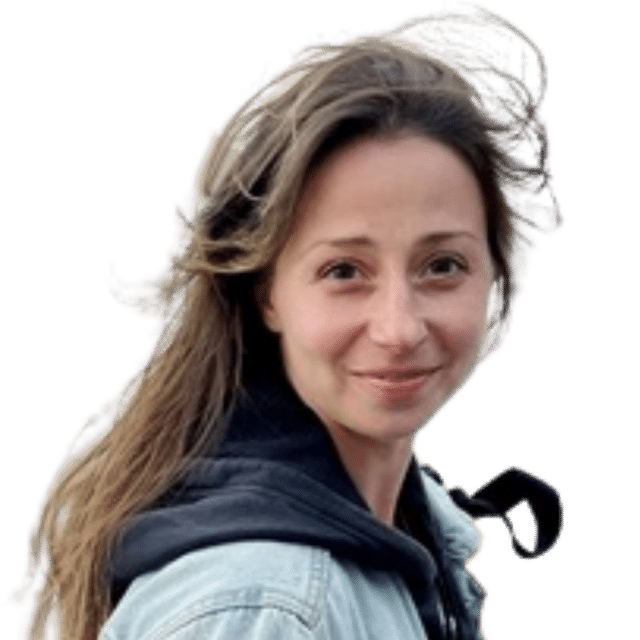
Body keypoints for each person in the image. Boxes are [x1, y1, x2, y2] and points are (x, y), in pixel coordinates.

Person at [9, 15, 565, 640]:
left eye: (442, 265)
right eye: (344, 270)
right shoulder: (262, 607)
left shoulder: (406, 527)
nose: (400, 328)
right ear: (266, 292)